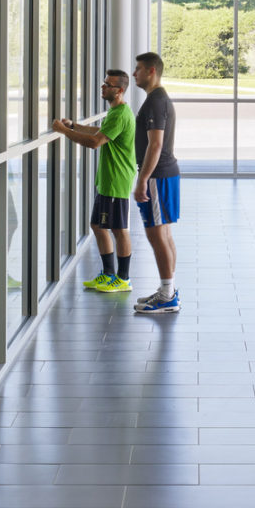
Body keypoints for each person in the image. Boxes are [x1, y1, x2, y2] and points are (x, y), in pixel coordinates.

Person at [52, 69, 137, 293]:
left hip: (117, 179)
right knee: (98, 225)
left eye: (108, 85)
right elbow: (100, 131)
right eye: (103, 83)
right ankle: (108, 274)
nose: (103, 87)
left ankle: (123, 278)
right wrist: (73, 126)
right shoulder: (116, 112)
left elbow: (94, 142)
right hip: (108, 179)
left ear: (119, 90)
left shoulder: (120, 114)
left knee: (118, 229)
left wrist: (63, 131)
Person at [130, 51, 181, 314]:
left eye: (138, 69)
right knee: (164, 233)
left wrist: (142, 180)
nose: (134, 73)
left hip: (158, 177)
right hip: (165, 174)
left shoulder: (155, 102)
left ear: (151, 71)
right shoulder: (157, 99)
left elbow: (156, 144)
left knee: (156, 234)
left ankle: (167, 294)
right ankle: (167, 290)